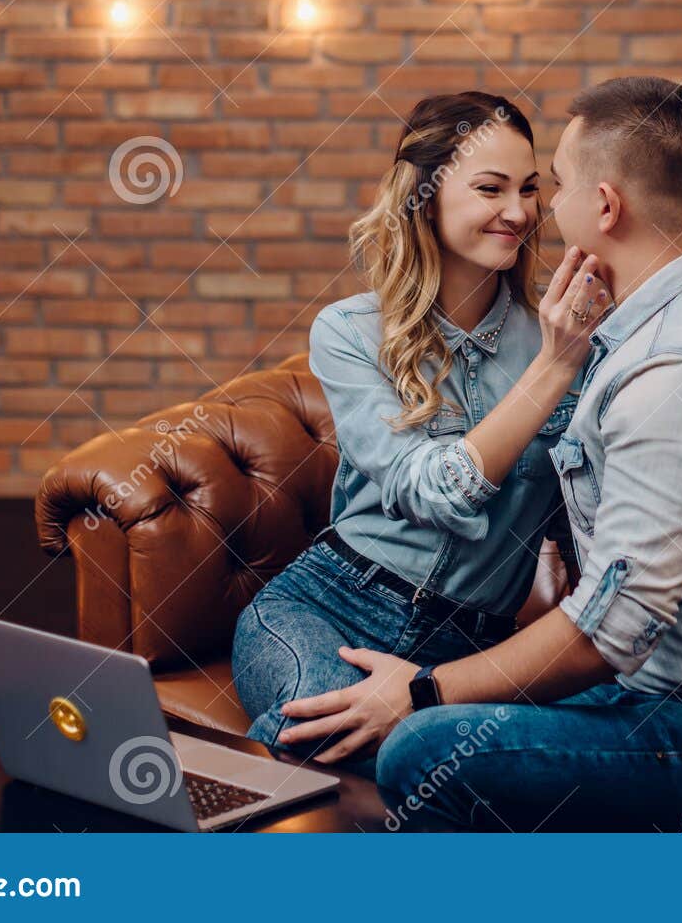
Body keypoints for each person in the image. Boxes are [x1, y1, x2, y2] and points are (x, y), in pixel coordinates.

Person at [274, 76, 682, 829]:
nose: (536, 209)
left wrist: (424, 688)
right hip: (660, 690)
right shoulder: (654, 323)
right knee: (348, 734)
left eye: (553, 185)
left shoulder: (675, 366)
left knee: (420, 747)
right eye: (499, 188)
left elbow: (618, 623)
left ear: (604, 207)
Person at [231, 91, 610, 778]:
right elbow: (428, 490)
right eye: (491, 188)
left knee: (411, 760)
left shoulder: (564, 336)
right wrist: (554, 369)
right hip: (328, 606)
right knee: (327, 735)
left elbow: (583, 524)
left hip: (466, 652)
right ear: (424, 198)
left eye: (530, 189)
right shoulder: (350, 332)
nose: (520, 212)